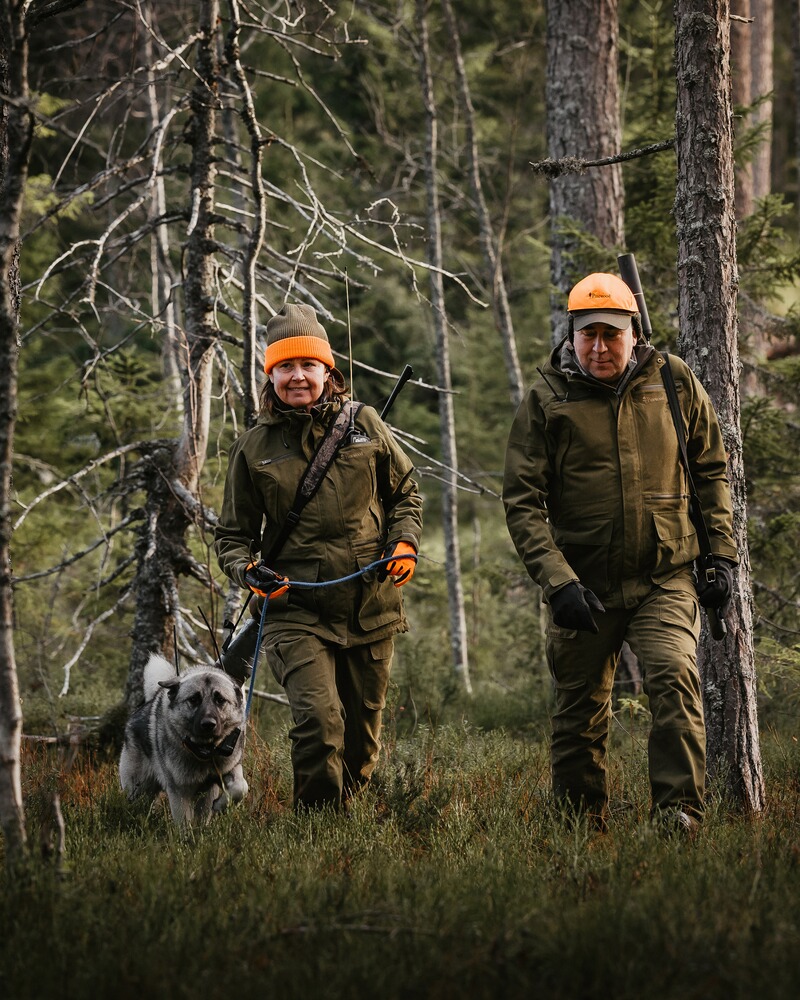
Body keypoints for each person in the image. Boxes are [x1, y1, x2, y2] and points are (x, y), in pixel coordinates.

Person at [502, 272, 737, 834]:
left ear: (634, 332)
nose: (600, 347)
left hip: (665, 576)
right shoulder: (547, 399)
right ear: (572, 334)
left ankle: (678, 816)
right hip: (583, 585)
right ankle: (581, 829)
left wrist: (722, 556)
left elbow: (710, 472)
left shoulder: (674, 382)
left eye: (612, 334)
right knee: (578, 713)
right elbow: (522, 501)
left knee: (675, 677)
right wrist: (558, 582)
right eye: (589, 335)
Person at [215, 303, 422, 811]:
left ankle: (342, 821)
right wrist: (248, 571)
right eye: (286, 367)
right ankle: (316, 831)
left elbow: (407, 493)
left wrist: (405, 543)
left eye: (308, 365)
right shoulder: (254, 448)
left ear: (329, 371)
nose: (298, 376)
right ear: (272, 375)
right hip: (295, 610)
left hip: (370, 605)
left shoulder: (365, 424)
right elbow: (232, 537)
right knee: (319, 724)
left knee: (361, 744)